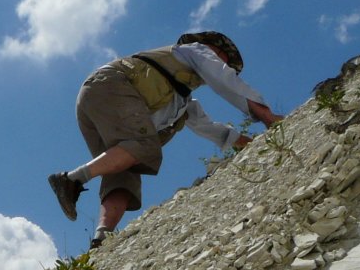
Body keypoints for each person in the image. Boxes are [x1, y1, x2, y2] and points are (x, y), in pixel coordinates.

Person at [47, 31, 283, 244]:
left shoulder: (183, 102)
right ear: (211, 48)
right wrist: (266, 115)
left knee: (125, 170)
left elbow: (207, 127)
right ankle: (70, 180)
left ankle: (102, 237)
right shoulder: (194, 51)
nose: (226, 66)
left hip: (93, 102)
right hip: (109, 86)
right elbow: (225, 80)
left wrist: (246, 143)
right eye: (224, 59)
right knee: (144, 145)